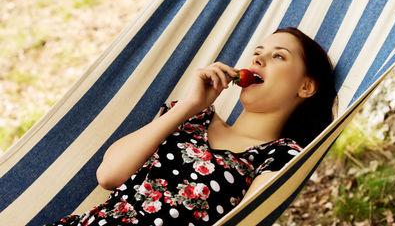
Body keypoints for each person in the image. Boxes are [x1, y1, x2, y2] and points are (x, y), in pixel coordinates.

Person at [45, 27, 336, 226]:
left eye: (278, 56)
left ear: (306, 86)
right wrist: (188, 106)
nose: (258, 58)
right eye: (258, 52)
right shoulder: (192, 118)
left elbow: (248, 219)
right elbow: (108, 175)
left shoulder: (280, 156)